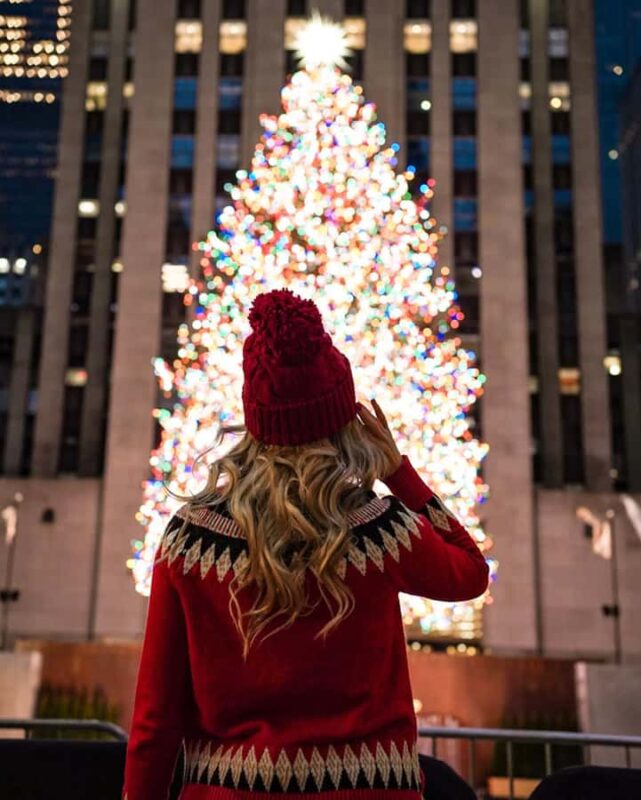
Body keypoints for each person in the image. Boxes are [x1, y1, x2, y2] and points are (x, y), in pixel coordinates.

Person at [123, 288, 489, 800]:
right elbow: (471, 572)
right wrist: (400, 472)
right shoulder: (381, 530)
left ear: (255, 418)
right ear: (344, 423)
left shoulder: (189, 540)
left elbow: (156, 720)